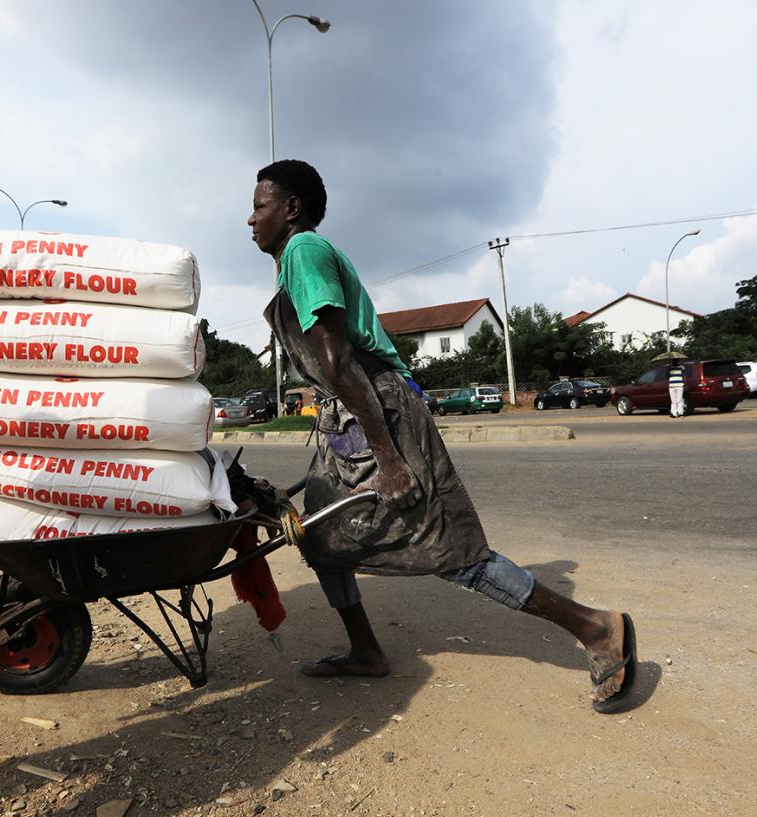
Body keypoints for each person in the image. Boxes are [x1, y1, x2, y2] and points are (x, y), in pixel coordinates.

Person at [247, 160, 637, 712]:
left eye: (260, 205)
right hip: (349, 421)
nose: (250, 218)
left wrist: (390, 460)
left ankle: (596, 628)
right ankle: (365, 650)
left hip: (376, 415)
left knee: (450, 550)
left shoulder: (305, 251)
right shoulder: (292, 262)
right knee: (319, 533)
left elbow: (337, 359)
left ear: (290, 209)